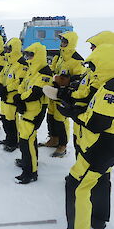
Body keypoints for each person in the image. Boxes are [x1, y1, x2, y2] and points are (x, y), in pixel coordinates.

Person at [58, 44, 114, 229]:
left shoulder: (109, 89)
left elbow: (98, 123)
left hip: (100, 147)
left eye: (94, 65)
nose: (91, 70)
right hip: (104, 147)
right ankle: (98, 221)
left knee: (76, 187)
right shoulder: (106, 83)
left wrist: (72, 113)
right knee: (100, 183)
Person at [14, 42, 52, 184]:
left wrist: (20, 98)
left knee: (26, 142)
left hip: (35, 113)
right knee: (27, 141)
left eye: (30, 55)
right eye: (26, 54)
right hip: (27, 111)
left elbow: (35, 93)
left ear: (38, 56)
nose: (27, 57)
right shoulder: (32, 70)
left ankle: (30, 173)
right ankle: (27, 164)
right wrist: (20, 97)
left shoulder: (45, 72)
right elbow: (22, 86)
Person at [42, 31, 84, 157]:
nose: (62, 44)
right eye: (62, 41)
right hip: (54, 93)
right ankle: (53, 138)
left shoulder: (77, 60)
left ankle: (62, 145)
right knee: (50, 117)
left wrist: (65, 87)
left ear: (71, 43)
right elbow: (53, 70)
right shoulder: (60, 56)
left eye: (65, 41)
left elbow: (78, 80)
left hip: (63, 95)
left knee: (60, 120)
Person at [0, 37, 28, 152]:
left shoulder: (21, 64)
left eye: (8, 49)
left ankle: (14, 142)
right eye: (5, 49)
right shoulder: (8, 62)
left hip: (12, 99)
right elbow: (1, 75)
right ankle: (8, 138)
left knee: (12, 121)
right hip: (4, 98)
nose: (6, 51)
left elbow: (20, 81)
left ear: (14, 49)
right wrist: (0, 85)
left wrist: (6, 89)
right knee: (5, 119)